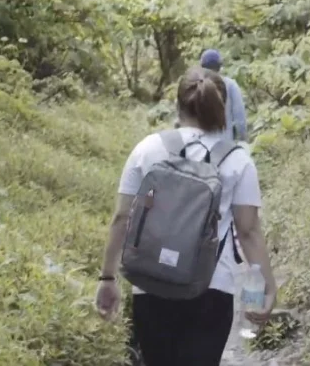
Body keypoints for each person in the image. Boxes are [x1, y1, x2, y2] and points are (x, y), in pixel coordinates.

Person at [95, 67, 277, 366]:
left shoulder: (147, 149)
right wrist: (268, 287)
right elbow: (248, 232)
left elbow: (122, 217)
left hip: (150, 284)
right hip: (212, 289)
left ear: (177, 105)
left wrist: (107, 277)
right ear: (222, 108)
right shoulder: (237, 160)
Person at [199, 49, 248, 143]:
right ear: (219, 66)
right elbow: (240, 117)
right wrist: (243, 139)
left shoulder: (197, 86)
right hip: (225, 146)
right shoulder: (230, 85)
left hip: (202, 147)